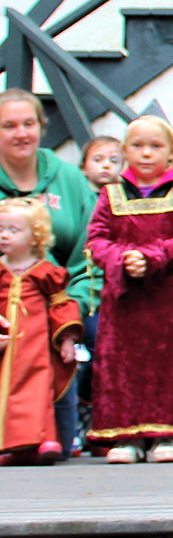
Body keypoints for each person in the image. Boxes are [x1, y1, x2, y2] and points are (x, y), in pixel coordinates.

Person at [84, 116, 173, 463]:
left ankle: (166, 434)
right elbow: (96, 240)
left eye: (155, 147)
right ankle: (127, 436)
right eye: (137, 146)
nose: (145, 154)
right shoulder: (110, 195)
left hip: (170, 299)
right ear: (125, 151)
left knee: (170, 361)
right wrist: (123, 259)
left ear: (171, 153)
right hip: (124, 299)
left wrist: (153, 257)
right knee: (123, 364)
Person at [0, 90, 100, 458]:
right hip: (3, 298)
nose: (20, 133)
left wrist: (76, 302)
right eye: (8, 126)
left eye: (28, 124)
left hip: (63, 294)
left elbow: (89, 251)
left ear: (42, 127)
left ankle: (81, 429)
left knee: (85, 331)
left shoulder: (69, 179)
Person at [0, 198, 82, 464]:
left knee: (40, 390)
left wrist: (67, 338)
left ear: (35, 236)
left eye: (13, 230)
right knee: (6, 392)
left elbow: (62, 305)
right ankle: (12, 444)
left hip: (36, 347)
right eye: (1, 229)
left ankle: (46, 438)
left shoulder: (45, 272)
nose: (4, 235)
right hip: (5, 345)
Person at [69, 135, 123, 452]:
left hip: (112, 292)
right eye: (98, 159)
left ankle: (102, 423)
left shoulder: (122, 199)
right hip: (83, 291)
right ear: (83, 166)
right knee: (87, 352)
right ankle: (82, 415)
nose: (106, 166)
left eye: (113, 160)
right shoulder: (78, 199)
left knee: (106, 354)